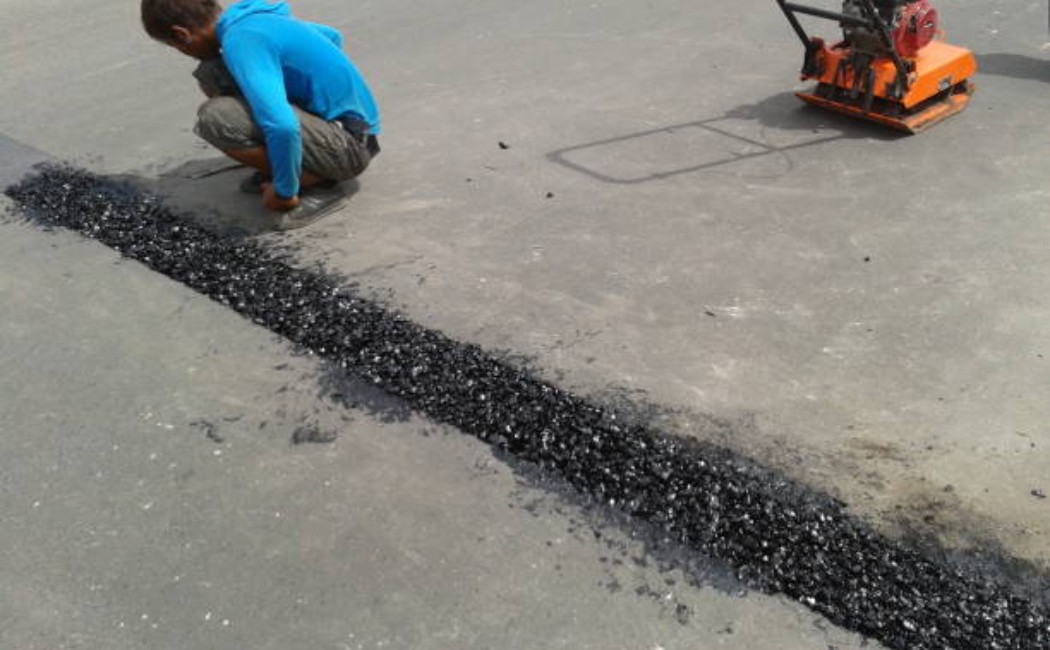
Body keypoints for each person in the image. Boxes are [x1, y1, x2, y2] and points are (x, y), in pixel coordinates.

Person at [140, 0, 381, 229]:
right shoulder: (252, 18)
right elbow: (332, 36)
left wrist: (283, 192)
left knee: (216, 117)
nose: (183, 52)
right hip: (354, 131)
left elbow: (283, 126)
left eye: (177, 47)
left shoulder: (241, 42)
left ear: (182, 34)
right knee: (212, 72)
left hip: (348, 148)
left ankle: (315, 182)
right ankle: (301, 159)